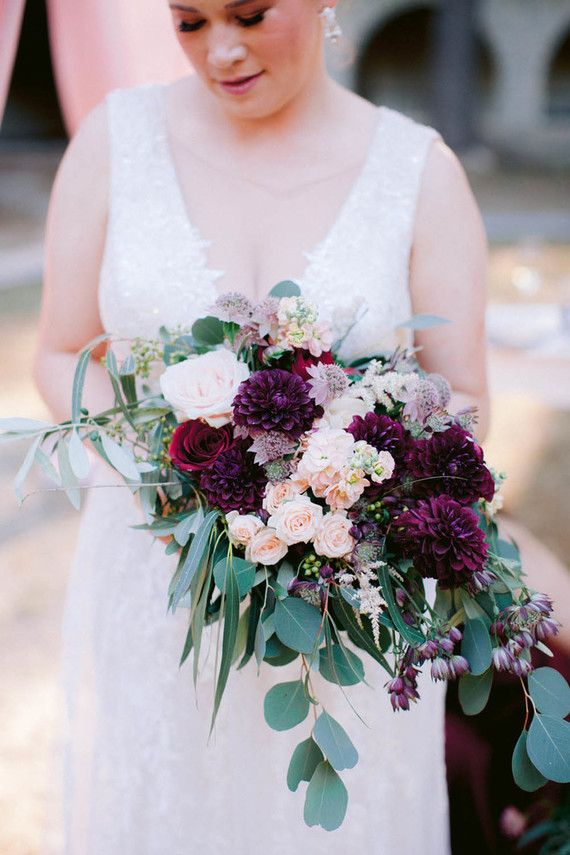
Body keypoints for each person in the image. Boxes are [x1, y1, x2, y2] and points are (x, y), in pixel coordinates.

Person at [34, 1, 490, 852]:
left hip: (346, 615)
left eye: (248, 13)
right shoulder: (113, 142)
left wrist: (350, 477)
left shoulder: (418, 172)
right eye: (189, 21)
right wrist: (164, 473)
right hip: (156, 580)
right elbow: (62, 350)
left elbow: (463, 398)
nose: (223, 51)